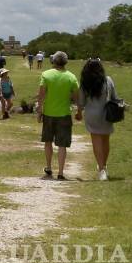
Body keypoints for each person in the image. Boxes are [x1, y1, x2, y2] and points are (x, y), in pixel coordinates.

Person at [37, 51, 80, 180]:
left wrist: (39, 111)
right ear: (66, 62)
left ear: (53, 61)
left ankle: (49, 167)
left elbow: (41, 95)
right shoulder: (71, 77)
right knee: (62, 145)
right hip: (64, 114)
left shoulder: (46, 75)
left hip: (49, 113)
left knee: (48, 142)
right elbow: (76, 98)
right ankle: (60, 172)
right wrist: (79, 111)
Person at [77, 59, 119, 181]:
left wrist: (79, 113)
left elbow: (81, 102)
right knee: (105, 141)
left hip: (91, 115)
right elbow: (115, 97)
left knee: (96, 141)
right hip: (106, 114)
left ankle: (101, 169)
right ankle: (104, 166)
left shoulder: (85, 83)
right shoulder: (108, 80)